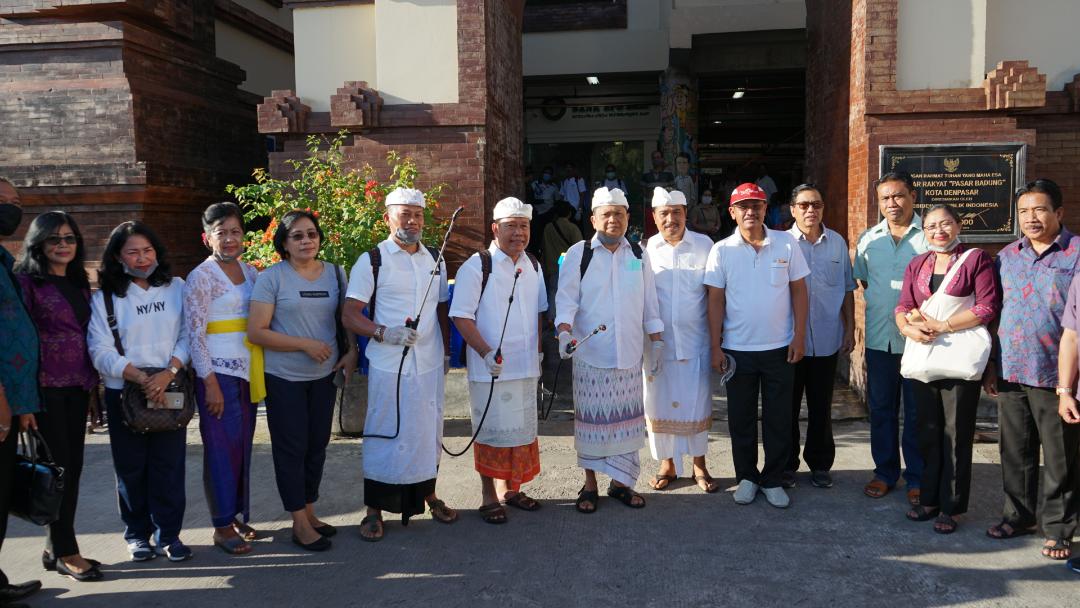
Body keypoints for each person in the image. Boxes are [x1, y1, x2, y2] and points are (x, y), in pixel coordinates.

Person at [342, 187, 457, 541]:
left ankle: (429, 495)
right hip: (390, 362)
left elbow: (440, 309)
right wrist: (382, 332)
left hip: (429, 361)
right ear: (387, 218)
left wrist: (447, 352)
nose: (412, 221)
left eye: (418, 215)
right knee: (385, 432)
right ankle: (374, 510)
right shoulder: (372, 259)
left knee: (427, 431)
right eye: (404, 214)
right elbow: (350, 314)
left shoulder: (434, 258)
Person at [248, 209, 356, 551]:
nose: (306, 240)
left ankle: (310, 511)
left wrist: (351, 351)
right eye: (297, 236)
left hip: (323, 377)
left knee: (316, 446)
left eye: (311, 234)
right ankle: (297, 522)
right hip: (284, 378)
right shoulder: (272, 279)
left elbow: (346, 319)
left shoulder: (336, 274)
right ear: (284, 242)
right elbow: (256, 332)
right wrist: (304, 344)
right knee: (291, 448)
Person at [986, 179, 1080, 560]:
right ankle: (1018, 516)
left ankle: (1059, 528)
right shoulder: (1008, 256)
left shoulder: (1075, 255)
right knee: (1015, 451)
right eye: (1024, 211)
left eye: (1039, 210)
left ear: (1058, 212)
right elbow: (996, 314)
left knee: (1060, 456)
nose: (1031, 218)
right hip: (1012, 369)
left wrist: (1068, 385)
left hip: (1056, 375)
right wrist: (992, 365)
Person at [87, 221, 192, 562]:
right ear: (118, 256)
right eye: (133, 251)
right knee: (131, 468)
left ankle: (170, 534)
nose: (142, 258)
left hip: (170, 387)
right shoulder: (104, 297)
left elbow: (189, 334)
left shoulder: (177, 287)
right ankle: (137, 534)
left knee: (170, 465)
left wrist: (168, 372)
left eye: (148, 250)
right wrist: (139, 376)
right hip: (126, 393)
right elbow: (99, 348)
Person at [556, 186, 663, 513]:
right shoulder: (578, 254)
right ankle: (589, 486)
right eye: (607, 214)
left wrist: (656, 342)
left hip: (629, 355)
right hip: (591, 354)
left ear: (628, 217)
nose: (613, 219)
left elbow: (650, 302)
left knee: (628, 425)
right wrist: (563, 333)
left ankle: (621, 484)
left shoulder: (639, 255)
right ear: (593, 218)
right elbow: (565, 301)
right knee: (592, 425)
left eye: (619, 213)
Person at [894, 204, 999, 534]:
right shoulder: (917, 263)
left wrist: (944, 325)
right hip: (925, 356)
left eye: (946, 224)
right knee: (926, 430)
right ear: (924, 231)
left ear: (958, 225)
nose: (939, 231)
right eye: (931, 227)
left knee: (956, 434)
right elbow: (904, 306)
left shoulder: (976, 260)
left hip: (958, 357)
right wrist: (906, 327)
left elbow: (987, 306)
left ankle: (951, 506)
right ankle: (928, 498)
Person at [705, 183, 809, 508]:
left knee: (780, 417)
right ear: (732, 212)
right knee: (741, 418)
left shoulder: (787, 243)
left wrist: (800, 337)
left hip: (780, 348)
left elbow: (799, 292)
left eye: (757, 205)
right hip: (737, 350)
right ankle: (747, 477)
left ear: (766, 209)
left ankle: (773, 478)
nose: (751, 212)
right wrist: (715, 346)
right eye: (743, 206)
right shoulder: (721, 250)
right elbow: (715, 301)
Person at [14, 211, 102, 581]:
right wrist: (25, 403)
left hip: (77, 387)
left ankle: (56, 547)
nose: (63, 245)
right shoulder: (27, 283)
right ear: (38, 243)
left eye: (69, 238)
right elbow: (21, 343)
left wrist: (93, 389)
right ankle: (66, 551)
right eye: (54, 239)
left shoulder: (80, 282)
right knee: (58, 471)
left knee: (73, 469)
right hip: (45, 389)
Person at [450, 197, 547, 524]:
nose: (518, 233)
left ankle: (513, 489)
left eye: (524, 226)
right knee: (490, 431)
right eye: (511, 226)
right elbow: (461, 316)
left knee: (520, 431)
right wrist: (485, 351)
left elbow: (538, 313)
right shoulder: (477, 265)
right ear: (495, 229)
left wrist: (539, 354)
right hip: (490, 368)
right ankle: (488, 495)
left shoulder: (533, 264)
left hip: (525, 367)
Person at [182, 202, 261, 555]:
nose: (229, 239)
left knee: (243, 446)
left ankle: (237, 514)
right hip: (219, 373)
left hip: (249, 371)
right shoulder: (201, 277)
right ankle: (221, 524)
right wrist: (209, 381)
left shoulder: (251, 272)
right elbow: (195, 334)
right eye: (221, 233)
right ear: (206, 238)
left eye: (235, 232)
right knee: (220, 449)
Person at [853, 171, 927, 505]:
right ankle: (885, 473)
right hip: (880, 340)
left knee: (916, 412)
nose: (891, 203)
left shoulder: (930, 237)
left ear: (913, 196)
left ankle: (918, 476)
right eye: (885, 198)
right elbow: (866, 284)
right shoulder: (869, 240)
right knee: (881, 409)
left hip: (921, 343)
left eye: (898, 196)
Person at [644, 187, 719, 493]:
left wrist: (718, 341)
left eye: (677, 212)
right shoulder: (646, 250)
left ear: (686, 214)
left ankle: (699, 465)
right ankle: (667, 464)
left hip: (696, 342)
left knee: (696, 403)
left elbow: (715, 296)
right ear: (654, 217)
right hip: (658, 346)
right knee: (658, 404)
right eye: (664, 213)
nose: (671, 219)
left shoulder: (704, 246)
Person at [782, 185, 856, 490]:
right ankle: (786, 465)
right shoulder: (781, 243)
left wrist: (850, 328)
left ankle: (820, 464)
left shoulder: (837, 242)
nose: (811, 210)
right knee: (786, 407)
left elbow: (848, 289)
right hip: (788, 340)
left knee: (821, 406)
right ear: (793, 209)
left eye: (816, 204)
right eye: (804, 205)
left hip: (826, 338)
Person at [0, 177, 44, 606]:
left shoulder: (1, 258)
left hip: (12, 404)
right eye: (3, 202)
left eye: (16, 202)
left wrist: (23, 405)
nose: (13, 210)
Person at [541, 201, 582, 322]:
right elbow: (580, 248)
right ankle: (566, 320)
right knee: (570, 293)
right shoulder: (572, 228)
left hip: (552, 265)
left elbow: (543, 246)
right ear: (569, 213)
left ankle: (551, 319)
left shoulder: (548, 227)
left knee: (553, 292)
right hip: (568, 266)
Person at [641, 151, 675, 238]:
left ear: (662, 159)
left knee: (665, 231)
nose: (657, 160)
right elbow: (643, 192)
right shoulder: (646, 176)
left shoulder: (669, 175)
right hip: (650, 208)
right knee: (650, 233)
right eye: (654, 158)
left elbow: (672, 192)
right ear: (652, 160)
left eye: (658, 157)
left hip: (665, 208)